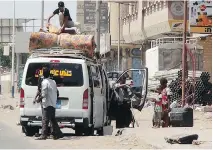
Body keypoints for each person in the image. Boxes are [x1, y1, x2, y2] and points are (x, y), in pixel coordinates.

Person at [35, 67, 63, 140]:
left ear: (43, 74)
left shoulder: (44, 82)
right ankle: (58, 133)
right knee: (52, 119)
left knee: (45, 119)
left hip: (46, 103)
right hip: (53, 103)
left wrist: (38, 99)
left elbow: (44, 93)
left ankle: (44, 135)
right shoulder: (53, 82)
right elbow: (57, 92)